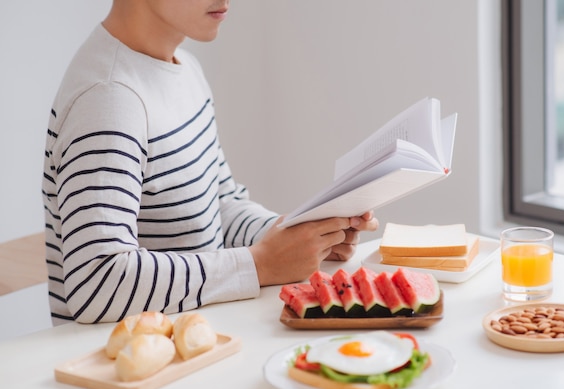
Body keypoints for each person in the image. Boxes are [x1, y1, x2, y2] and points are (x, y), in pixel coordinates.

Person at [41, 0, 378, 325]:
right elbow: (97, 283)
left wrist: (298, 239)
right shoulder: (109, 98)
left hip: (194, 345)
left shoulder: (183, 69)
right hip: (131, 371)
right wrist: (259, 265)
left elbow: (219, 205)